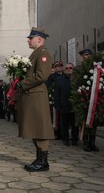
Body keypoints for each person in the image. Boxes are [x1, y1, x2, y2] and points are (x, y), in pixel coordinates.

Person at [16, 27, 54, 172]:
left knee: (40, 129)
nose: (28, 40)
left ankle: (43, 162)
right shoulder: (35, 54)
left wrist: (22, 84)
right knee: (35, 128)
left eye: (30, 38)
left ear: (39, 39)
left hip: (36, 96)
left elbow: (41, 75)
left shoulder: (43, 54)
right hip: (32, 96)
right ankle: (39, 159)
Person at [71, 48, 98, 152]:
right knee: (84, 121)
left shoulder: (96, 68)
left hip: (95, 99)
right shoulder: (77, 69)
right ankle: (86, 142)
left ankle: (92, 142)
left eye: (89, 55)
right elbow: (74, 83)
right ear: (82, 57)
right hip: (83, 98)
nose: (87, 57)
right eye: (85, 55)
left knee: (94, 121)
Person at [54, 62, 79, 146]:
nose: (68, 70)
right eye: (67, 68)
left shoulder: (77, 78)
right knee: (64, 125)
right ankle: (65, 139)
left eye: (70, 68)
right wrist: (57, 105)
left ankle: (75, 139)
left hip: (75, 106)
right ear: (64, 70)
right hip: (63, 106)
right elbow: (56, 93)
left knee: (74, 125)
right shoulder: (59, 79)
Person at [46, 60, 64, 140]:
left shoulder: (65, 75)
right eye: (57, 66)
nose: (59, 67)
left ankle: (63, 133)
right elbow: (48, 87)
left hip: (63, 99)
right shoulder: (52, 76)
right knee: (55, 117)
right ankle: (56, 132)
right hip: (54, 99)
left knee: (63, 118)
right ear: (54, 68)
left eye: (60, 65)